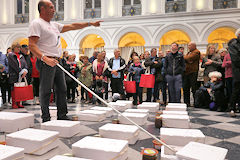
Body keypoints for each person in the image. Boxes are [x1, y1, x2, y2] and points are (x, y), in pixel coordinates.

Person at [28, 0, 102, 122]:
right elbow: (32, 45)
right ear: (42, 9)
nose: (54, 10)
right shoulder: (37, 23)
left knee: (62, 89)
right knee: (46, 90)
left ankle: (62, 115)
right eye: (51, 7)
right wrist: (45, 59)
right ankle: (45, 117)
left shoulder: (54, 25)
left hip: (58, 62)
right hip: (46, 61)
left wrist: (90, 24)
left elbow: (72, 26)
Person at [8, 43, 28, 109]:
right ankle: (14, 103)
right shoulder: (11, 55)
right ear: (14, 48)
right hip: (14, 75)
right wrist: (21, 72)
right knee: (14, 90)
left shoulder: (21, 56)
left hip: (21, 75)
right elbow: (14, 66)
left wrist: (25, 70)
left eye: (19, 47)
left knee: (20, 89)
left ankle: (19, 103)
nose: (19, 49)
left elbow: (25, 64)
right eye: (17, 47)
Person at [183, 42, 200, 107]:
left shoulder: (196, 52)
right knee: (185, 88)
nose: (188, 47)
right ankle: (186, 102)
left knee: (194, 88)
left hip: (193, 72)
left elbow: (188, 58)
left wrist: (186, 58)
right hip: (186, 72)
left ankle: (196, 103)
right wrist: (187, 59)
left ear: (194, 46)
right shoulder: (189, 52)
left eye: (189, 45)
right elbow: (187, 58)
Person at [228, 28, 240, 117]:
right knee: (236, 89)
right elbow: (236, 60)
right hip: (238, 70)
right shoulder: (233, 44)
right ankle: (232, 108)